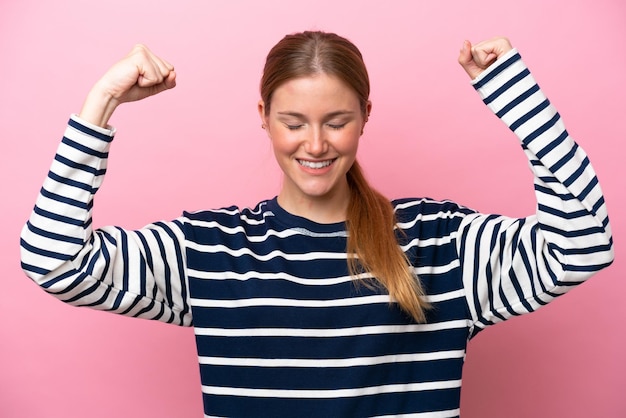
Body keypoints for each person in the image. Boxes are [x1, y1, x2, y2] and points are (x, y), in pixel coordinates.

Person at [20, 31, 614, 417]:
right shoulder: (209, 251)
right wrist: (100, 104)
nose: (316, 144)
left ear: (364, 119)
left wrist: (513, 94)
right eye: (293, 121)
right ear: (263, 118)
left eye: (337, 121)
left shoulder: (440, 245)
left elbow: (584, 241)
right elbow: (53, 262)